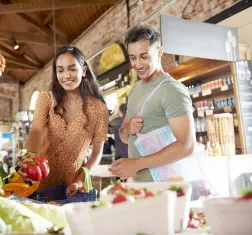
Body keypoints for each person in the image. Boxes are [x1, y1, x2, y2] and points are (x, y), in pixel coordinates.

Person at [108, 24, 207, 198]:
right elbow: (124, 137)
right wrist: (127, 128)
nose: (138, 64)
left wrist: (136, 164)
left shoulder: (171, 90)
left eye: (144, 57)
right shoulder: (135, 90)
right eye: (133, 58)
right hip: (144, 188)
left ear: (159, 51)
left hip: (171, 189)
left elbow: (187, 145)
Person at [18, 46, 109, 197]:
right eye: (60, 70)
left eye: (72, 69)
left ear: (84, 71)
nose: (66, 75)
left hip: (72, 187)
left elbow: (96, 154)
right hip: (38, 183)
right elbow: (36, 132)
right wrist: (30, 162)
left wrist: (79, 180)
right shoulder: (46, 98)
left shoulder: (99, 109)